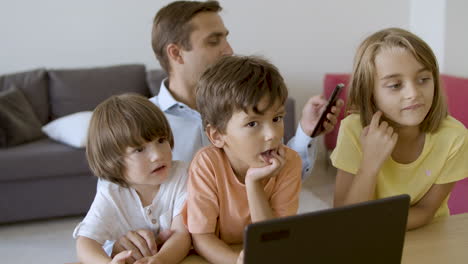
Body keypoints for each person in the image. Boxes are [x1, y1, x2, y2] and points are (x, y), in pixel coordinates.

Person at [114, 0, 343, 259]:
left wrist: (305, 132)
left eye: (226, 39)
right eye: (213, 41)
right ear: (176, 53)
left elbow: (277, 177)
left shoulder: (242, 99)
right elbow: (112, 203)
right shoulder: (138, 125)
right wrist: (118, 240)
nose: (229, 50)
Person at [331, 28, 468, 230]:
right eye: (395, 85)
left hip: (427, 237)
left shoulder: (454, 137)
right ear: (369, 91)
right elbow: (344, 216)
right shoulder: (353, 129)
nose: (413, 93)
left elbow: (425, 211)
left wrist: (369, 223)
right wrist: (370, 165)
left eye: (423, 79)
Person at [184, 55, 302, 264]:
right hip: (217, 254)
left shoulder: (289, 162)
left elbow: (274, 241)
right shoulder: (206, 164)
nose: (272, 134)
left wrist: (253, 183)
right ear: (217, 136)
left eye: (277, 119)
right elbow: (202, 237)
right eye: (252, 124)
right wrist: (235, 261)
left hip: (264, 250)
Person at [73, 94, 191, 264]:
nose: (157, 155)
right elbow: (86, 242)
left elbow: (182, 234)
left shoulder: (181, 175)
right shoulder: (111, 191)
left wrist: (160, 260)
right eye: (139, 150)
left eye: (161, 140)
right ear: (113, 160)